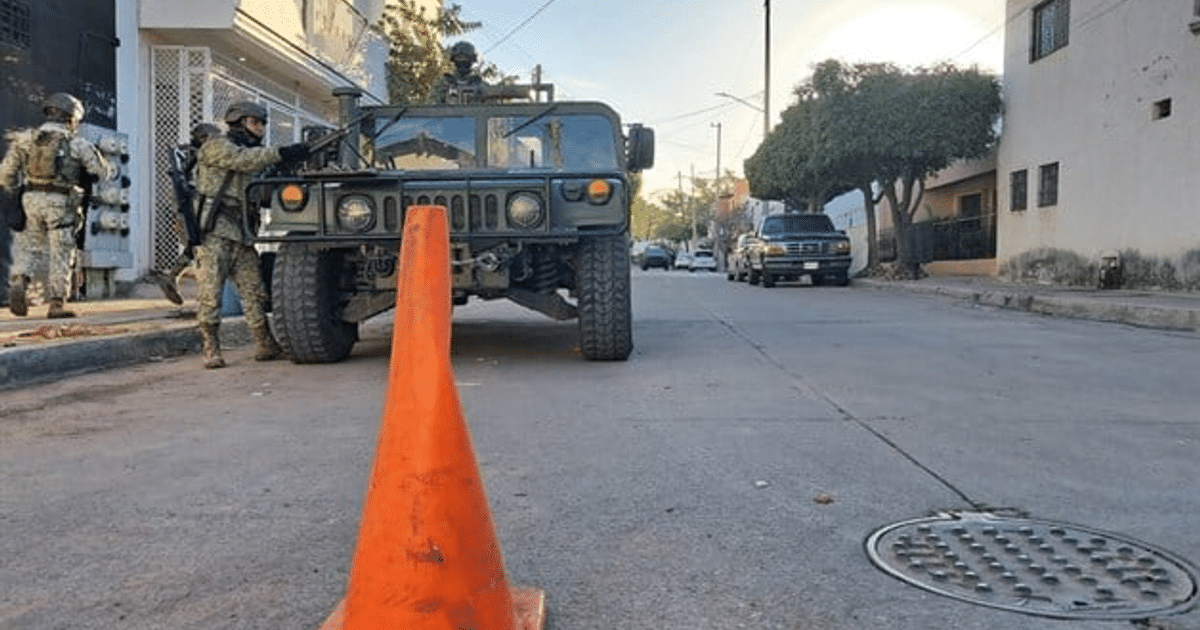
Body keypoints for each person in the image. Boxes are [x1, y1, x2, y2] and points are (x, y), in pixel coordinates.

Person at [193, 101, 309, 368]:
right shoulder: (217, 146)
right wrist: (281, 153)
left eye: (262, 124)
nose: (261, 129)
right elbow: (243, 161)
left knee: (254, 292)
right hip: (216, 232)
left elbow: (263, 191)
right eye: (256, 123)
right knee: (211, 293)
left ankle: (264, 343)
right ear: (240, 122)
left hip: (242, 234)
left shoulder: (251, 152)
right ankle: (211, 349)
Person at [0, 93, 116, 318]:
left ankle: (20, 281)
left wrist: (16, 189)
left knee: (30, 246)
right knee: (61, 252)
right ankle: (56, 304)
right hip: (61, 201)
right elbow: (103, 172)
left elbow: (5, 174)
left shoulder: (26, 139)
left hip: (31, 198)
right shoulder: (77, 143)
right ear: (71, 118)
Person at [152, 122, 221, 305]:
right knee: (200, 247)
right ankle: (205, 296)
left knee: (196, 245)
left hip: (188, 206)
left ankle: (173, 276)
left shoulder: (185, 153)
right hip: (191, 206)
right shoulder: (194, 155)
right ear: (203, 138)